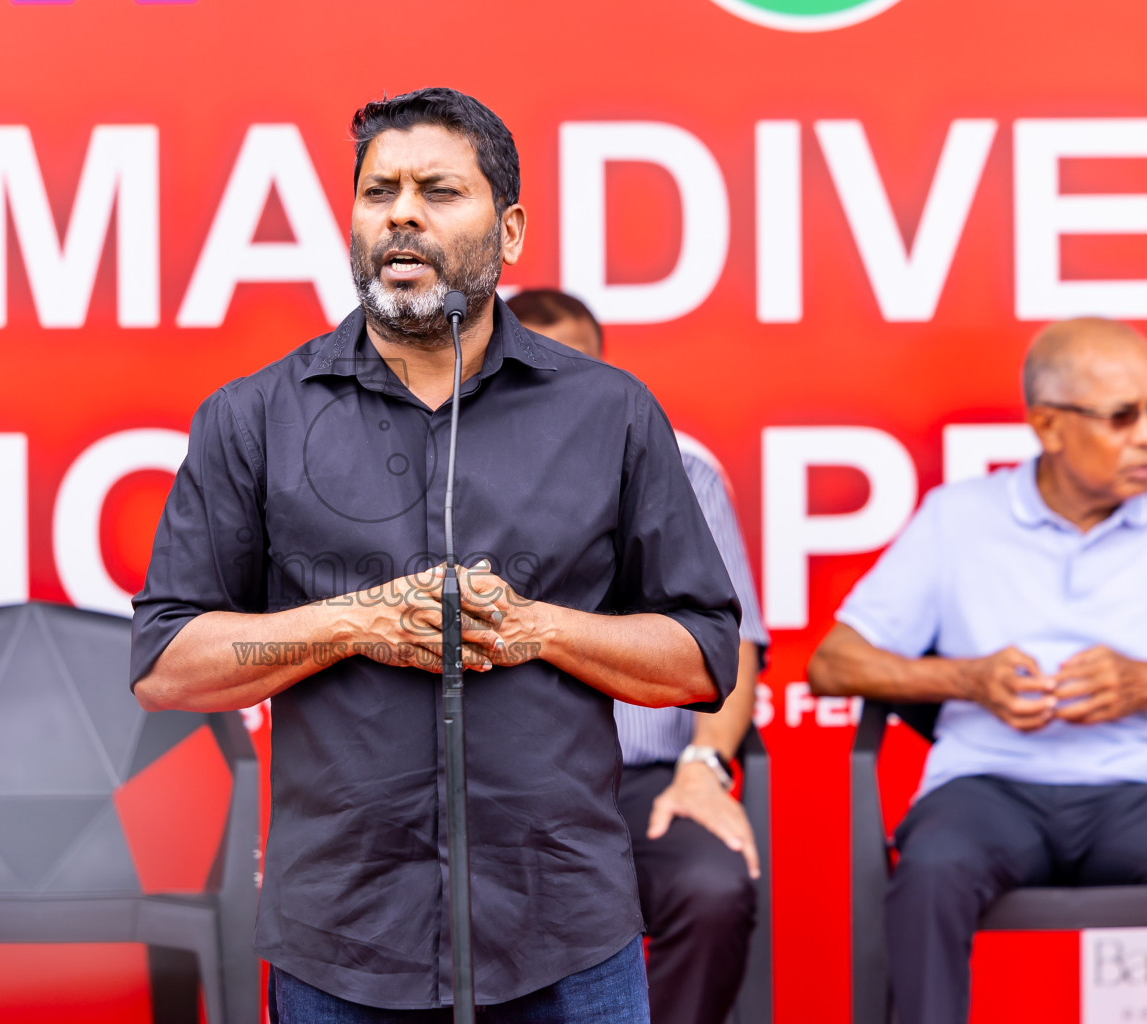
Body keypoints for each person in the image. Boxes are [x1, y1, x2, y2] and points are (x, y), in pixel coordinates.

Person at [130, 88, 741, 1021]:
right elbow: (167, 670)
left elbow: (703, 659)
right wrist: (350, 623)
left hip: (566, 934)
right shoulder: (254, 417)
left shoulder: (608, 413)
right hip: (343, 941)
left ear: (511, 229)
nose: (402, 212)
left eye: (438, 190)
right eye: (379, 192)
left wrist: (538, 629)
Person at [807, 317, 1147, 1024]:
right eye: (1122, 417)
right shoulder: (959, 518)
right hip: (989, 791)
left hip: (1138, 785)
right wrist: (969, 680)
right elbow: (832, 664)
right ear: (1049, 426)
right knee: (932, 873)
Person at [507, 289, 768, 1024]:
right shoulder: (462, 476)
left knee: (712, 889)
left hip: (650, 778)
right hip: (513, 785)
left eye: (578, 365)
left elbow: (733, 645)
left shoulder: (681, 467)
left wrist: (706, 767)